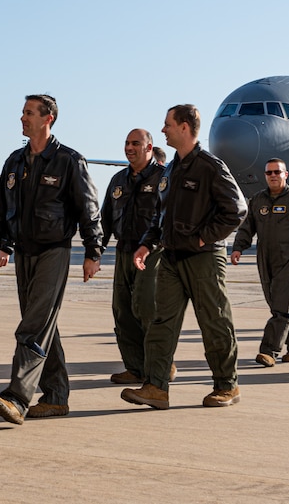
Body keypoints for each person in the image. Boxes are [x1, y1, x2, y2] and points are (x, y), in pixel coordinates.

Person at [0, 94, 103, 425]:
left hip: (54, 250)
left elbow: (88, 209)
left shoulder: (68, 160)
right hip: (24, 251)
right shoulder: (15, 161)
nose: (22, 118)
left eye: (29, 113)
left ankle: (17, 397)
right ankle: (56, 396)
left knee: (33, 326)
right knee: (43, 325)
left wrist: (93, 252)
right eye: (22, 112)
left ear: (47, 118)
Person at [121, 104, 247, 411]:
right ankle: (155, 387)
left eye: (167, 125)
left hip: (204, 258)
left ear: (185, 128)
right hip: (171, 258)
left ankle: (226, 386)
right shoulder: (171, 169)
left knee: (215, 321)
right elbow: (160, 215)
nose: (163, 129)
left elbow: (237, 210)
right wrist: (146, 244)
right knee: (161, 322)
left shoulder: (209, 166)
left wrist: (204, 236)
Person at [231, 157, 289, 367]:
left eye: (277, 172)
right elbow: (247, 227)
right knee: (276, 304)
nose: (273, 176)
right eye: (269, 173)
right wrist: (238, 248)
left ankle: (269, 350)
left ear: (285, 174)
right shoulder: (257, 200)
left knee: (281, 305)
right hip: (265, 257)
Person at [101, 129, 165, 385]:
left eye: (135, 143)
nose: (129, 147)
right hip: (123, 251)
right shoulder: (118, 180)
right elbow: (105, 218)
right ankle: (135, 367)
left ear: (149, 148)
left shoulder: (164, 178)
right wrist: (95, 252)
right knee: (122, 310)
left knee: (147, 308)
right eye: (127, 143)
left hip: (151, 252)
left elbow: (168, 217)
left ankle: (160, 366)